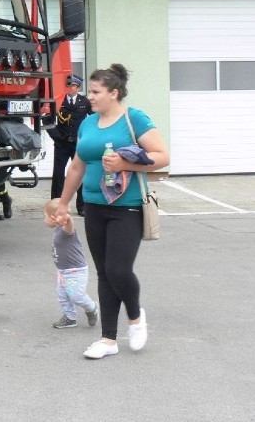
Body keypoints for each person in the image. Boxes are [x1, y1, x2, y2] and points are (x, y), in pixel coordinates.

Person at [54, 64, 169, 360]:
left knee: (119, 269)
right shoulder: (88, 123)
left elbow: (162, 156)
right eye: (89, 91)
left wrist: (126, 165)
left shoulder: (134, 119)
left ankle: (135, 316)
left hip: (127, 206)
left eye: (95, 92)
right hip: (93, 206)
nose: (89, 97)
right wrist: (63, 202)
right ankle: (108, 339)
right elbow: (78, 165)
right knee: (105, 273)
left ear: (113, 93)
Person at [43, 199, 98, 329]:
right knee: (63, 295)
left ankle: (92, 307)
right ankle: (70, 317)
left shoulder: (66, 230)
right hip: (62, 272)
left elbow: (70, 227)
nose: (44, 220)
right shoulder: (57, 230)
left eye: (45, 216)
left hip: (75, 271)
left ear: (54, 217)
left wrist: (67, 219)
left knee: (76, 296)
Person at [50, 74, 91, 216]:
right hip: (61, 144)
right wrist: (58, 137)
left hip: (78, 144)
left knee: (80, 174)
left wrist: (86, 137)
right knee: (58, 174)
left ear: (78, 87)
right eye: (68, 85)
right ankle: (56, 204)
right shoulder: (58, 101)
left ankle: (82, 206)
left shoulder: (84, 102)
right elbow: (47, 120)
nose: (71, 88)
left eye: (73, 85)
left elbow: (93, 120)